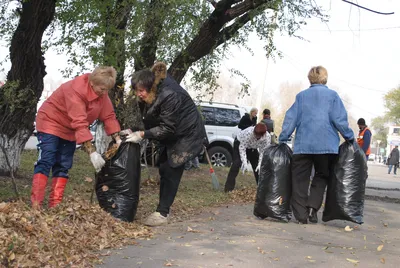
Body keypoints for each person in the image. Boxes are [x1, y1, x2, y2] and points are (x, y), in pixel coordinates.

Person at [126, 62, 207, 226]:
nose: (138, 94)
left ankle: (162, 213)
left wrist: (142, 134)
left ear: (150, 86)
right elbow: (153, 120)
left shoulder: (170, 95)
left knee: (171, 169)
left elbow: (167, 128)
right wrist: (133, 130)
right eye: (136, 90)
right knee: (163, 167)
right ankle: (162, 209)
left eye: (141, 91)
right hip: (175, 134)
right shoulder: (155, 92)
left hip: (187, 135)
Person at [32, 66, 121, 209]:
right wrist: (92, 152)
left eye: (107, 90)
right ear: (92, 83)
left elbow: (109, 116)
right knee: (47, 159)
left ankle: (55, 206)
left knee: (64, 164)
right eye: (102, 89)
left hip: (70, 129)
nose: (104, 93)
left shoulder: (102, 95)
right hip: (51, 122)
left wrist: (117, 138)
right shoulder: (76, 89)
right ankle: (36, 205)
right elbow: (79, 121)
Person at [279, 66, 354, 224]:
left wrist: (283, 137)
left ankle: (301, 215)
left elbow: (291, 118)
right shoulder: (333, 96)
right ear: (325, 78)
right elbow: (339, 119)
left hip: (302, 145)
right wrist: (349, 137)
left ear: (310, 78)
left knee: (300, 179)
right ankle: (313, 208)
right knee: (321, 176)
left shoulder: (301, 96)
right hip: (326, 146)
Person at [224, 123, 271, 192]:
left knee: (258, 167)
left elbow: (263, 151)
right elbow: (242, 148)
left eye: (258, 136)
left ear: (263, 135)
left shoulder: (267, 137)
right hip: (239, 143)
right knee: (236, 163)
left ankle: (261, 189)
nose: (256, 137)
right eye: (255, 135)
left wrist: (260, 163)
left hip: (253, 147)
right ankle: (228, 188)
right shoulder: (248, 133)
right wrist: (244, 162)